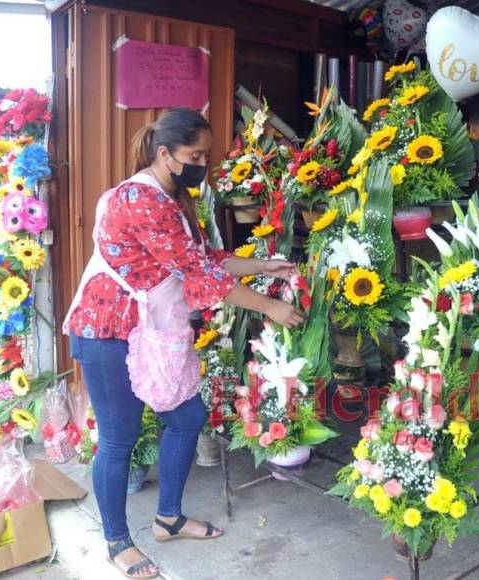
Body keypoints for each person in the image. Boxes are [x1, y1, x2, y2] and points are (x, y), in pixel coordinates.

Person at [64, 108, 304, 579]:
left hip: (151, 329)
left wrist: (265, 266)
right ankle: (117, 541)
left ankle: (168, 519)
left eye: (206, 156)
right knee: (119, 438)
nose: (202, 164)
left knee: (187, 416)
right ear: (165, 153)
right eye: (195, 155)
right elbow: (197, 275)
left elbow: (205, 258)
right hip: (110, 330)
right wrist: (270, 307)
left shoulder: (172, 199)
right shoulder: (141, 200)